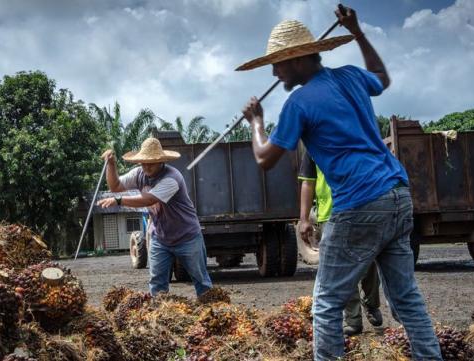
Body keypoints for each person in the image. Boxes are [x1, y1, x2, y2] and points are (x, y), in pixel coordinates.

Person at [236, 5, 441, 360]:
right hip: (397, 195)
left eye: (279, 63)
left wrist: (256, 122)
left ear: (299, 59)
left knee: (327, 302)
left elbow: (264, 158)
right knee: (405, 298)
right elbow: (381, 76)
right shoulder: (349, 76)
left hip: (360, 203)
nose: (274, 71)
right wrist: (358, 31)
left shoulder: (298, 102)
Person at [97, 137, 213, 297]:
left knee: (202, 281)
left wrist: (119, 201)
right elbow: (115, 186)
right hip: (160, 238)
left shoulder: (172, 178)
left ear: (161, 161)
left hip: (187, 237)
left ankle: (213, 312)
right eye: (143, 162)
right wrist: (111, 164)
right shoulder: (139, 173)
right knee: (157, 284)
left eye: (150, 162)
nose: (146, 166)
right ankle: (158, 317)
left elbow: (149, 199)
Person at [298, 151, 383, 336]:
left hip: (360, 210)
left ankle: (371, 303)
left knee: (368, 263)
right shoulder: (313, 148)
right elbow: (307, 181)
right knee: (342, 270)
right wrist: (304, 219)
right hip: (330, 215)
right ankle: (353, 320)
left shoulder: (351, 135)